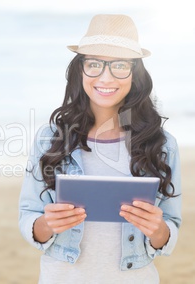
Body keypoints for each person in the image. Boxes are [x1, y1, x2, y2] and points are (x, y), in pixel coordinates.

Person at [18, 14, 181, 283]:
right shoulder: (50, 139)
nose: (105, 77)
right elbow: (29, 217)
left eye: (119, 65)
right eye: (94, 64)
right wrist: (48, 224)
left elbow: (170, 229)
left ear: (135, 73)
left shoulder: (162, 145)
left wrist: (157, 229)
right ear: (79, 69)